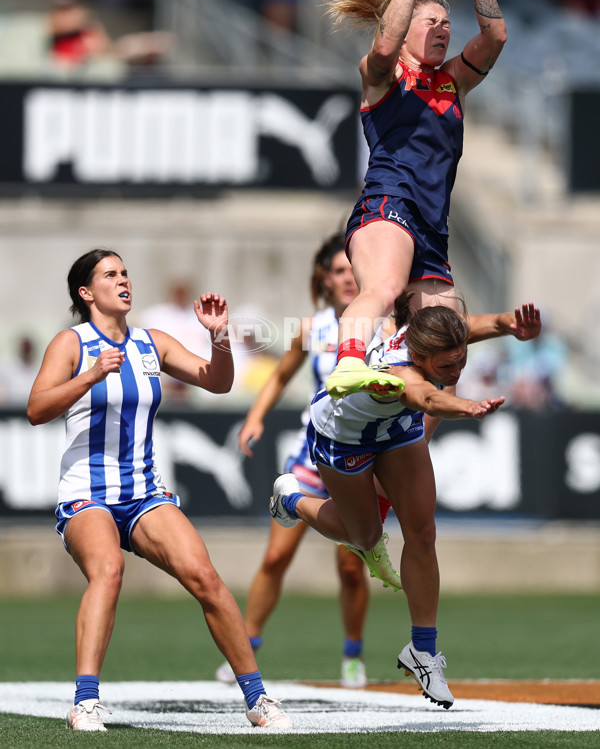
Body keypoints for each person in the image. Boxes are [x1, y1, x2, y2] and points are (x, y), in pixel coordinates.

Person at [26, 249, 292, 732]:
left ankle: (257, 699)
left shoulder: (153, 342)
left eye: (125, 272)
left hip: (145, 492)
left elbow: (217, 381)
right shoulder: (72, 342)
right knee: (108, 570)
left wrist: (219, 336)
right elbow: (37, 408)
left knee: (206, 578)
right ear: (87, 293)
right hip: (88, 492)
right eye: (110, 274)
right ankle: (86, 703)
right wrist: (89, 375)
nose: (123, 280)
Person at [269, 295, 541, 709]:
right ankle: (291, 500)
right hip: (344, 435)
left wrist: (512, 325)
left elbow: (481, 325)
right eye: (446, 367)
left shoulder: (434, 338)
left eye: (460, 362)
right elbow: (428, 399)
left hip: (396, 428)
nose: (455, 371)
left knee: (423, 531)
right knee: (363, 536)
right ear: (418, 355)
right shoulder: (403, 370)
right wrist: (466, 406)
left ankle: (423, 651)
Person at [323, 0, 508, 400]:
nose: (443, 30)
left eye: (447, 24)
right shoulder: (381, 76)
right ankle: (346, 367)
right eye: (431, 23)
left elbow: (496, 36)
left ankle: (407, 436)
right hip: (389, 204)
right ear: (406, 31)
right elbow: (384, 45)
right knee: (383, 291)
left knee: (445, 346)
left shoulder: (452, 81)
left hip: (433, 226)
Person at [216, 233, 398, 690]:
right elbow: (280, 376)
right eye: (338, 271)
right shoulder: (312, 327)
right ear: (325, 279)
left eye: (352, 270)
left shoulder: (384, 325)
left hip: (361, 458)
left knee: (352, 564)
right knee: (276, 556)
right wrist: (254, 417)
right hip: (313, 455)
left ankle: (352, 654)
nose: (347, 278)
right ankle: (247, 646)